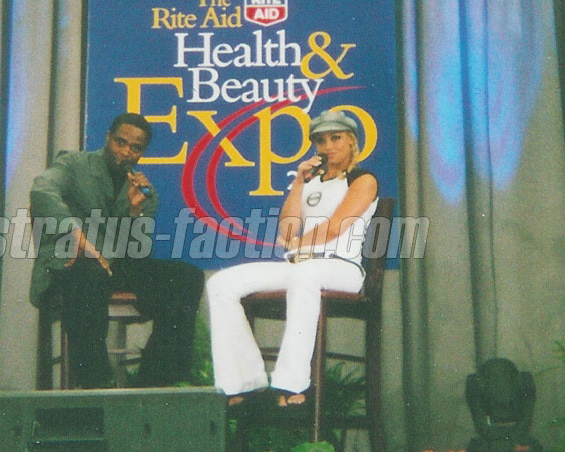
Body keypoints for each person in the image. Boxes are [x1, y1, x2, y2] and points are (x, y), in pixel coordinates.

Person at [207, 110, 379, 407]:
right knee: (222, 283)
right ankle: (243, 382)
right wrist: (299, 184)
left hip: (342, 267)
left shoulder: (363, 179)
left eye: (336, 138)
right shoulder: (312, 182)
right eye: (321, 141)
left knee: (304, 275)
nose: (328, 146)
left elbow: (336, 226)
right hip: (302, 265)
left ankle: (292, 383)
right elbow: (287, 230)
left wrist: (298, 244)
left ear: (351, 141)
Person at [30, 112, 204, 389]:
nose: (125, 152)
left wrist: (135, 211)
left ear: (142, 152)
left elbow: (136, 254)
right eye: (120, 142)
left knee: (186, 277)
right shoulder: (74, 164)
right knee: (89, 274)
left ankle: (153, 384)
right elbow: (42, 190)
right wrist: (78, 236)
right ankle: (95, 386)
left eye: (135, 148)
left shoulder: (144, 193)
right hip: (72, 263)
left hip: (112, 266)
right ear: (107, 138)